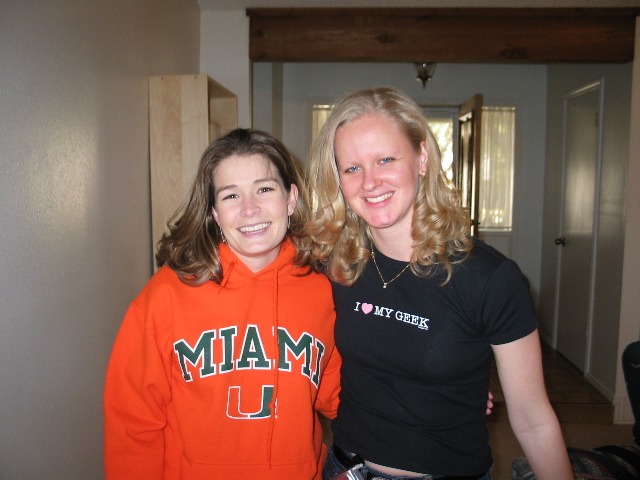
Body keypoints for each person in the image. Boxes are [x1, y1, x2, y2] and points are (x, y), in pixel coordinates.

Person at [306, 87, 573, 480]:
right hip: (345, 468)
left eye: (385, 159)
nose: (370, 182)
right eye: (352, 168)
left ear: (422, 158)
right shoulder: (334, 264)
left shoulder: (489, 277)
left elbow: (533, 421)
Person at [103, 128, 341, 479]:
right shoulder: (165, 296)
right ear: (214, 212)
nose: (250, 209)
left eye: (264, 189)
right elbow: (132, 423)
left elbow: (341, 398)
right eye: (231, 196)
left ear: (291, 199)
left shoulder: (325, 291)